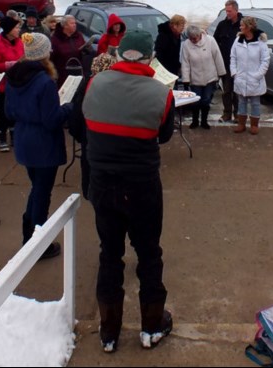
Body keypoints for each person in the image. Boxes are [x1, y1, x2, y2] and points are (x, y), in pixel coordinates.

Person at [82, 31, 176, 353]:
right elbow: (162, 136)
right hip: (142, 187)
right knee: (149, 254)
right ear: (150, 59)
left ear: (120, 54)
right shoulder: (161, 94)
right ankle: (151, 325)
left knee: (110, 254)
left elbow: (85, 126)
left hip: (103, 184)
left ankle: (109, 331)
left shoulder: (95, 84)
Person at [6, 33, 72, 260]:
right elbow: (52, 119)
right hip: (43, 143)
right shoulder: (44, 81)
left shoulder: (14, 75)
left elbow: (7, 112)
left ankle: (29, 237)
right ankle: (37, 243)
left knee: (37, 190)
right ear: (43, 53)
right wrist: (68, 108)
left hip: (24, 139)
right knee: (42, 193)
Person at [67, 52, 118, 200]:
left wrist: (80, 135)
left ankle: (89, 192)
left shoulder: (85, 85)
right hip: (107, 142)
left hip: (87, 138)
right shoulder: (114, 89)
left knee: (89, 166)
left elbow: (75, 117)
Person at [0, 16, 24, 151]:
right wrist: (8, 65)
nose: (19, 29)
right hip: (3, 84)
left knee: (15, 111)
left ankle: (15, 136)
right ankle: (2, 137)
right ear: (9, 30)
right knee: (3, 112)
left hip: (18, 82)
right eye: (16, 27)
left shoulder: (20, 42)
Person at [179, 24, 226, 130]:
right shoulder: (186, 45)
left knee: (206, 100)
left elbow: (217, 56)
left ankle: (204, 121)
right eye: (190, 38)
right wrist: (186, 80)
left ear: (200, 35)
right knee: (195, 102)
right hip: (195, 79)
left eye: (194, 38)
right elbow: (185, 63)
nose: (192, 40)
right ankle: (195, 120)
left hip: (210, 77)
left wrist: (221, 72)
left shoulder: (210, 41)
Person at [230, 16, 270, 135]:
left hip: (255, 79)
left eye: (242, 25)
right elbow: (233, 57)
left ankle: (254, 125)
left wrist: (258, 75)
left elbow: (265, 60)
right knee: (241, 102)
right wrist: (234, 72)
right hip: (240, 77)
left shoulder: (261, 42)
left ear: (249, 27)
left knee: (255, 103)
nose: (240, 27)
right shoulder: (238, 40)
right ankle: (241, 124)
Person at [213, 0, 243, 122]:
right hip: (225, 64)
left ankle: (237, 114)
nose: (228, 13)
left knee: (237, 91)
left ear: (236, 10)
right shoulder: (222, 25)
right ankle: (227, 113)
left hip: (240, 65)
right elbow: (214, 42)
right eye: (226, 11)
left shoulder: (243, 24)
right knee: (226, 91)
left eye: (230, 11)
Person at [50, 15, 88, 88]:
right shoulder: (55, 39)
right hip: (63, 76)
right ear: (65, 26)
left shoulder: (78, 36)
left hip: (78, 73)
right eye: (72, 23)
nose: (75, 25)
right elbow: (51, 59)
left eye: (75, 23)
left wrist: (87, 51)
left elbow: (83, 50)